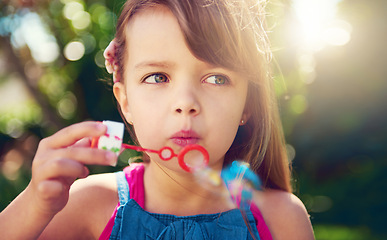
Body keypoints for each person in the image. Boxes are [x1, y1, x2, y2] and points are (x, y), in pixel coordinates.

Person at [0, 0, 315, 239]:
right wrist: (35, 205)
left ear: (247, 104)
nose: (185, 104)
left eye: (217, 78)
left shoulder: (282, 218)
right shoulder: (87, 204)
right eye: (157, 77)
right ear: (126, 102)